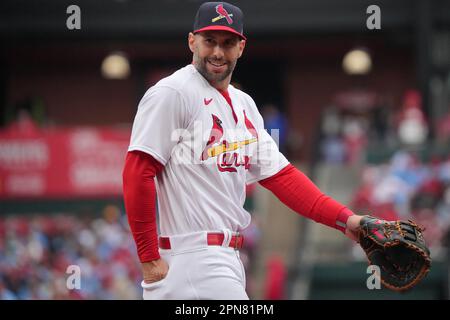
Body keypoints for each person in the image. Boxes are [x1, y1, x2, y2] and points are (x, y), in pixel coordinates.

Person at [122, 1, 363, 300]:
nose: (218, 52)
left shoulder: (244, 104)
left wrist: (347, 220)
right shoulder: (173, 92)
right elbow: (138, 170)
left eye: (228, 42)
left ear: (241, 47)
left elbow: (283, 177)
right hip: (193, 258)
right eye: (210, 41)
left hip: (226, 260)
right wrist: (148, 257)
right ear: (192, 41)